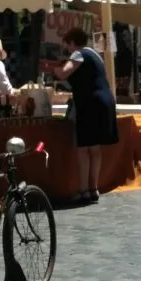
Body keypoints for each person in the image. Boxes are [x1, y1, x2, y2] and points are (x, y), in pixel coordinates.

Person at [45, 28, 118, 204]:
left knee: (84, 148)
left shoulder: (78, 54)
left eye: (67, 45)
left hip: (90, 104)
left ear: (72, 43)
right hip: (105, 102)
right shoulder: (95, 54)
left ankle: (84, 189)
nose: (68, 50)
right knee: (95, 149)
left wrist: (52, 68)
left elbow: (64, 73)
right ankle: (94, 188)